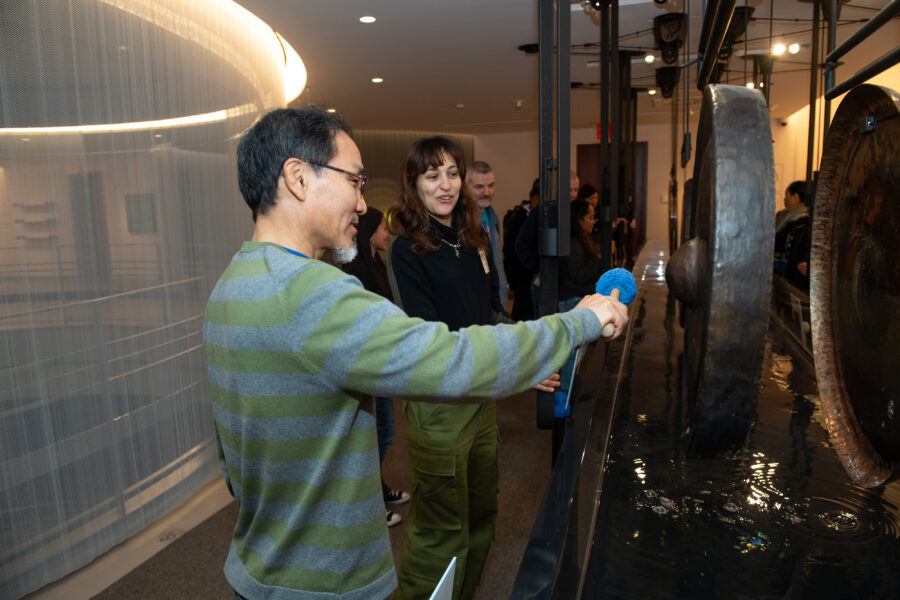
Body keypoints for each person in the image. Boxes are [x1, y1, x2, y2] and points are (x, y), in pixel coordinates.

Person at [204, 107, 628, 600]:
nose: (363, 206)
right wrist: (580, 322)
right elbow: (450, 357)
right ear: (298, 178)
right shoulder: (315, 293)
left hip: (260, 571)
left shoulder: (231, 286)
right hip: (324, 583)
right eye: (355, 181)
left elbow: (233, 454)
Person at [387, 136, 522, 599]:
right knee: (441, 530)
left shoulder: (471, 237)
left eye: (452, 173)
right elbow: (429, 339)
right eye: (432, 175)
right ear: (414, 184)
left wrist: (522, 352)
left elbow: (489, 312)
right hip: (440, 403)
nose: (445, 185)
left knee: (483, 513)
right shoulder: (407, 249)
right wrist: (511, 364)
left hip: (480, 398)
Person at [342, 207, 409, 527]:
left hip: (381, 362)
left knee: (384, 432)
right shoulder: (355, 270)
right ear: (370, 232)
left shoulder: (377, 262)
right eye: (384, 229)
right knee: (377, 435)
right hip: (368, 366)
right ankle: (368, 504)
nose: (388, 234)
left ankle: (377, 489)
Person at [555, 199, 603, 413]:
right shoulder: (573, 243)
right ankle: (564, 401)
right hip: (572, 299)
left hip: (576, 298)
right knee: (571, 354)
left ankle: (567, 397)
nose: (594, 221)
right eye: (590, 217)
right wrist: (598, 260)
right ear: (579, 220)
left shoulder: (581, 240)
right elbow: (578, 274)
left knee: (575, 354)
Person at [515, 170, 580, 316]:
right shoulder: (542, 212)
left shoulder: (575, 210)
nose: (574, 194)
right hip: (545, 283)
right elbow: (521, 245)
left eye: (576, 189)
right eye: (570, 190)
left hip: (568, 286)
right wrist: (540, 268)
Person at [467, 160, 508, 310]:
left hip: (497, 301)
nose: (487, 192)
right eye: (479, 187)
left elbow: (497, 262)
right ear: (465, 188)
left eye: (491, 186)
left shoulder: (492, 217)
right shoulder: (459, 223)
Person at [503, 178, 540, 320]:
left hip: (526, 275)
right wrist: (510, 282)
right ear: (535, 196)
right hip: (521, 277)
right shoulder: (519, 216)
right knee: (523, 315)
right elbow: (511, 250)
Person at [774, 181, 810, 288]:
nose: (785, 201)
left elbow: (779, 243)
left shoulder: (798, 220)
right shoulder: (806, 218)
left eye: (787, 197)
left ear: (796, 197)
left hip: (793, 276)